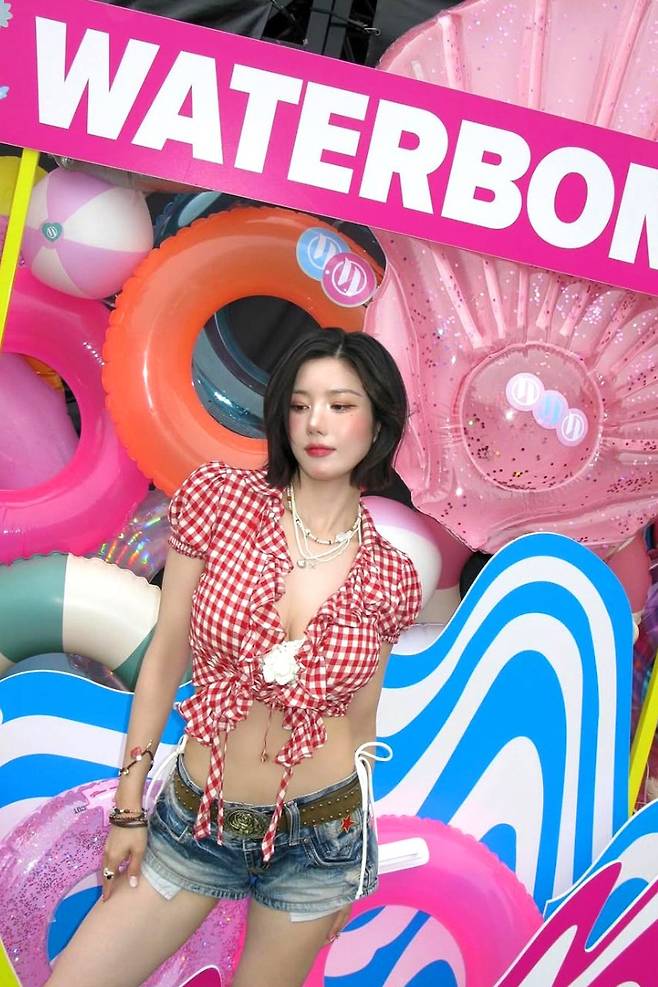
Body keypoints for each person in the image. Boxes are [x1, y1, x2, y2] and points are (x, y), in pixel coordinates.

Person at [46, 327, 423, 987]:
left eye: (340, 405)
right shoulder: (220, 500)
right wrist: (129, 805)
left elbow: (361, 725)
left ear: (379, 422)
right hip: (198, 818)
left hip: (321, 837)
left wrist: (354, 858)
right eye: (300, 404)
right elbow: (167, 655)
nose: (316, 423)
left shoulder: (392, 574)